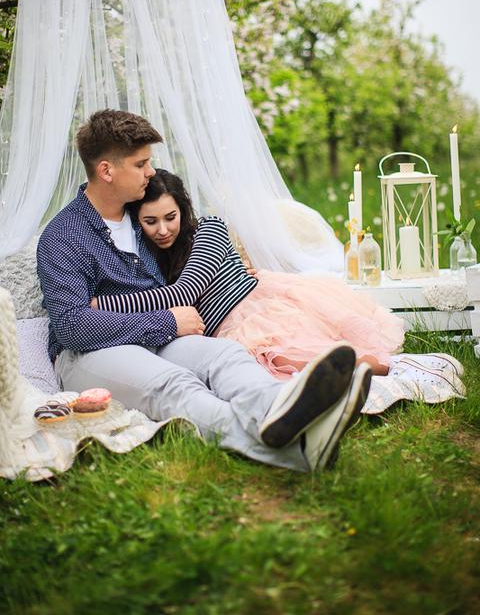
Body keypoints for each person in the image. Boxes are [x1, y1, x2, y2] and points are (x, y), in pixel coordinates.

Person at [37, 109, 373, 474]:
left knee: (226, 357)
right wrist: (167, 322)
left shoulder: (140, 216)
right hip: (91, 352)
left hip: (156, 339)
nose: (150, 172)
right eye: (141, 164)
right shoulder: (63, 236)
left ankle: (285, 407)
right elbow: (72, 325)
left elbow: (190, 251)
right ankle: (297, 450)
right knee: (175, 385)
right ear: (106, 171)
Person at [93, 169, 405, 378]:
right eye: (150, 222)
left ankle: (358, 366)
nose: (162, 229)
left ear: (183, 210)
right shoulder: (151, 260)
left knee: (286, 354)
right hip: (222, 331)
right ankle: (341, 371)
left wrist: (99, 306)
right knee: (268, 365)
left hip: (255, 307)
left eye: (170, 217)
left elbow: (185, 293)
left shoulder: (209, 229)